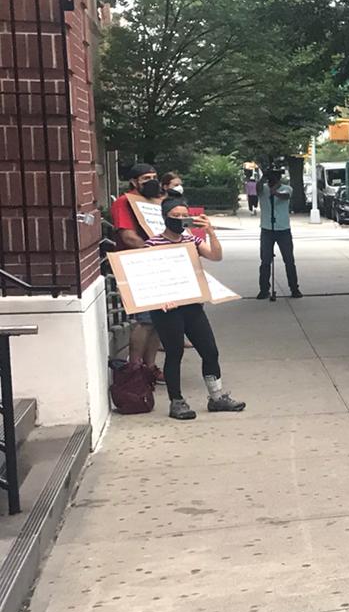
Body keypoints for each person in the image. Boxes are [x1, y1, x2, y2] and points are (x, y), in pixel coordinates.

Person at [146, 198, 247, 420]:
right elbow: (147, 278)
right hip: (167, 309)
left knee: (210, 350)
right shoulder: (151, 244)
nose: (181, 220)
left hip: (192, 304)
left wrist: (210, 232)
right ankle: (177, 401)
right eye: (176, 215)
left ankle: (217, 397)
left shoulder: (191, 240)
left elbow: (215, 256)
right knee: (175, 353)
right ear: (165, 217)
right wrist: (160, 299)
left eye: (185, 215)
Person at [108, 163, 166, 371]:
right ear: (134, 182)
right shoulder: (125, 203)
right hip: (138, 265)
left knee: (160, 320)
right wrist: (156, 248)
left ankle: (150, 368)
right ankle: (135, 368)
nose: (151, 181)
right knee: (146, 321)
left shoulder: (157, 202)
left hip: (160, 265)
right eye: (145, 178)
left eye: (154, 176)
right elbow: (128, 236)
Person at [257, 167, 301, 299]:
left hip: (283, 230)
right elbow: (257, 189)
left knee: (289, 260)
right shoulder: (263, 188)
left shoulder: (286, 188)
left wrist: (274, 191)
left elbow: (285, 197)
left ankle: (294, 288)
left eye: (274, 178)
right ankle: (264, 289)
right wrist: (263, 178)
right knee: (265, 261)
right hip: (267, 229)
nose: (272, 181)